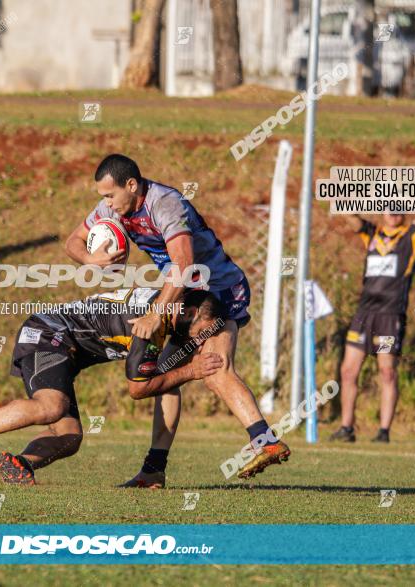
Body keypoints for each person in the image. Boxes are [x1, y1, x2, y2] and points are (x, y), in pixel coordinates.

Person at [65, 154, 287, 485]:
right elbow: (73, 242)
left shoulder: (165, 203)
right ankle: (154, 471)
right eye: (102, 197)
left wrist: (156, 314)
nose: (106, 204)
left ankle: (265, 441)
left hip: (219, 288)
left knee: (215, 368)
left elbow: (184, 264)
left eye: (110, 195)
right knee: (164, 375)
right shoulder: (113, 210)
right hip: (185, 294)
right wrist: (91, 259)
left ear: (131, 185)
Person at [0, 287, 226, 483]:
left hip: (64, 348)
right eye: (200, 334)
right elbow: (138, 389)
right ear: (188, 313)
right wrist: (192, 370)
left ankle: (21, 465)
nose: (197, 342)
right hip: (48, 334)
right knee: (51, 407)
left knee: (70, 436)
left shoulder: (163, 310)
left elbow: (162, 379)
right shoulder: (148, 326)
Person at [330, 212, 415, 443]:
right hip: (363, 316)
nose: (393, 213)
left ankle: (384, 431)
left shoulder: (410, 237)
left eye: (398, 209)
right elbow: (350, 216)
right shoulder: (372, 233)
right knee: (348, 371)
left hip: (389, 316)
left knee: (386, 371)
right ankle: (347, 428)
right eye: (388, 207)